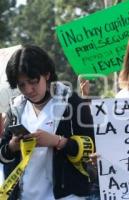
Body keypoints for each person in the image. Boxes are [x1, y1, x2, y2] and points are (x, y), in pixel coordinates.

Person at [0, 45, 94, 200]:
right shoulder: (16, 108)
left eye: (33, 81)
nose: (28, 89)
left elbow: (92, 148)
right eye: (21, 85)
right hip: (24, 196)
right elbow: (2, 153)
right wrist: (12, 146)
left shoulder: (72, 102)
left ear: (47, 74)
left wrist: (58, 142)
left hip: (67, 196)